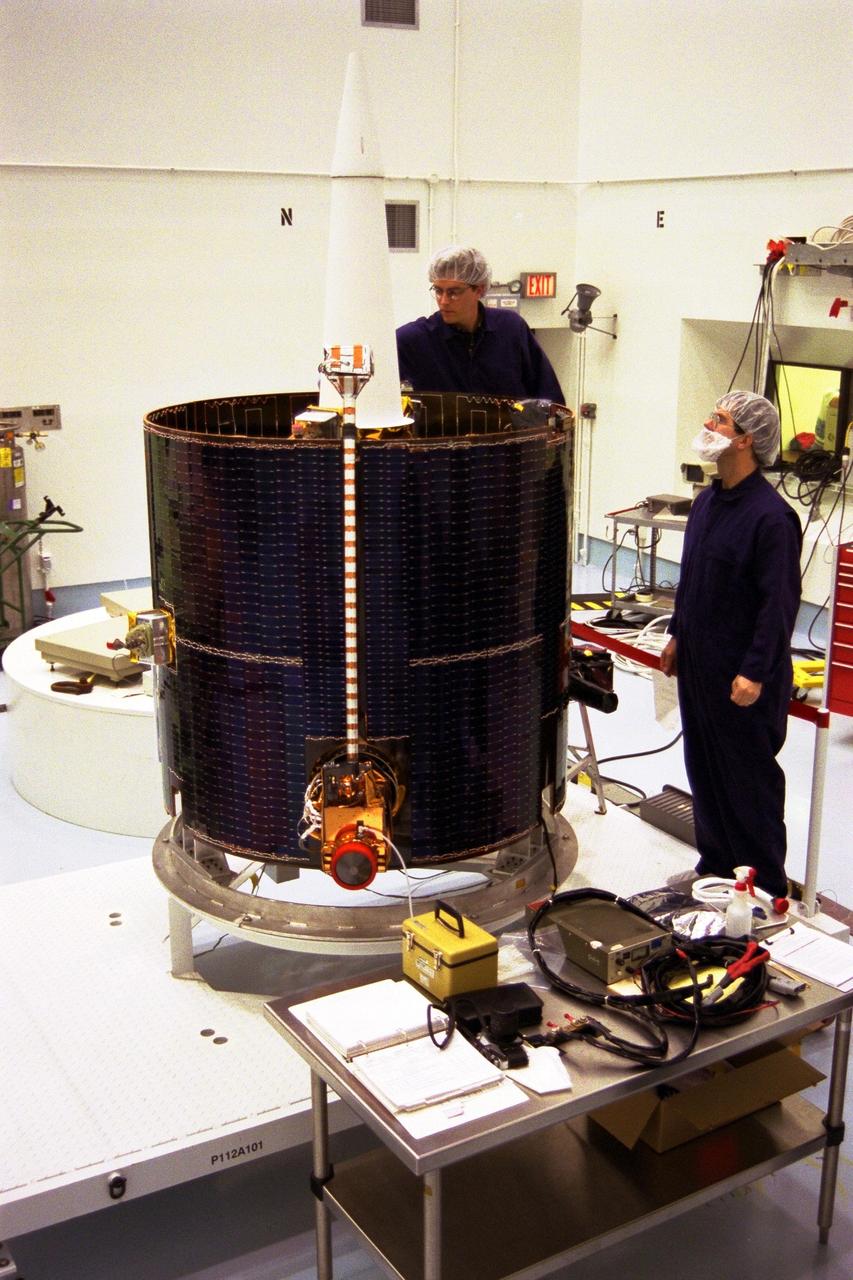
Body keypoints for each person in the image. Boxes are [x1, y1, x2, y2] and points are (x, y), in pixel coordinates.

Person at [660, 391, 802, 898]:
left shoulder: (771, 518)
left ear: (745, 439)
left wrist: (756, 672)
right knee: (704, 769)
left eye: (718, 419)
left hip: (742, 674)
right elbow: (692, 577)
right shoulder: (706, 504)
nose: (707, 423)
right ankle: (716, 869)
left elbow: (778, 605)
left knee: (748, 785)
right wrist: (676, 633)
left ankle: (764, 888)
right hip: (699, 664)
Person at [396, 245, 565, 402]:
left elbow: (548, 395)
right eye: (438, 291)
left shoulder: (511, 329)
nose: (444, 301)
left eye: (454, 292)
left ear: (480, 289)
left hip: (509, 434)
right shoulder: (414, 340)